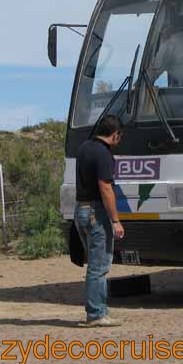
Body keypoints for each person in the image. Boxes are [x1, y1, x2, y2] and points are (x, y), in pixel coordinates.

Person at [74, 114, 125, 327]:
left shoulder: (84, 147)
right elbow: (105, 188)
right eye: (119, 137)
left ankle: (99, 310)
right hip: (96, 212)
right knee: (99, 265)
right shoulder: (104, 154)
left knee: (95, 263)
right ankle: (96, 314)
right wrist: (115, 220)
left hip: (81, 210)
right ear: (115, 134)